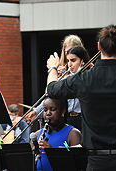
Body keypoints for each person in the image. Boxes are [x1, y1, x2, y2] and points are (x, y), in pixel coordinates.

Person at [46, 24, 116, 170]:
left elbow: (51, 89)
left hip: (97, 160)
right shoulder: (84, 77)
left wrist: (53, 67)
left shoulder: (85, 79)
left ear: (99, 47)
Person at [26, 35, 84, 129]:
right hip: (66, 118)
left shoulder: (87, 72)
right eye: (66, 52)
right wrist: (36, 111)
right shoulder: (62, 71)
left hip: (83, 118)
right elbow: (50, 94)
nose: (69, 55)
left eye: (73, 52)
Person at [32, 97, 82, 171]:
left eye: (53, 109)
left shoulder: (73, 134)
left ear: (63, 111)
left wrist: (52, 152)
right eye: (45, 110)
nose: (48, 113)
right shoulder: (37, 134)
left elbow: (76, 164)